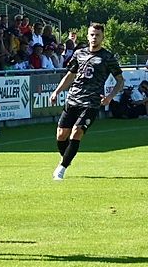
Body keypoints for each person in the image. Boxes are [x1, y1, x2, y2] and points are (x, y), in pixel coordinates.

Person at [49, 23, 124, 180]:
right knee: (61, 135)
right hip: (73, 98)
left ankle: (61, 169)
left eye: (97, 35)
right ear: (87, 36)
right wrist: (57, 91)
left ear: (102, 37)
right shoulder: (79, 53)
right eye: (92, 34)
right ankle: (66, 160)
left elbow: (120, 81)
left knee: (77, 132)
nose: (94, 38)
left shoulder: (108, 57)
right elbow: (70, 75)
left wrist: (110, 96)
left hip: (91, 102)